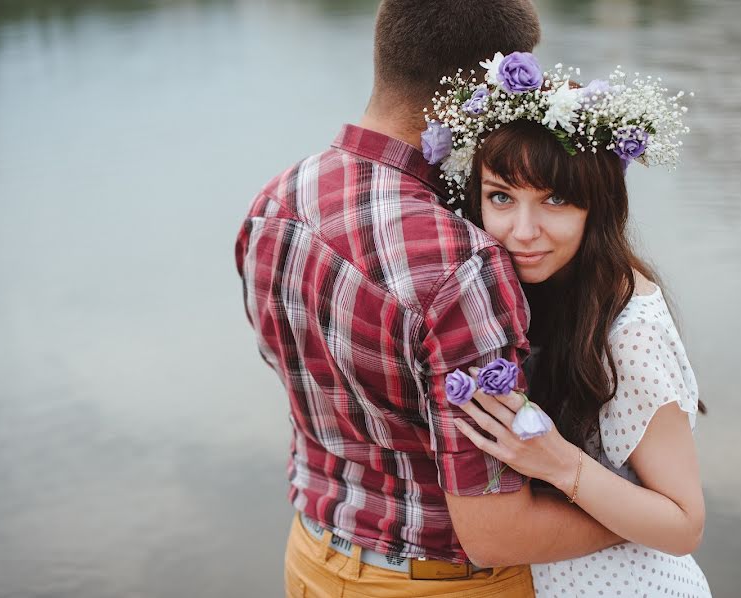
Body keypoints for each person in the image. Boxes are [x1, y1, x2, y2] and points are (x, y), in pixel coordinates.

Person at [234, 3, 622, 597]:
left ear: (387, 55)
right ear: (482, 90)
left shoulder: (276, 202)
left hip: (311, 555)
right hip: (440, 583)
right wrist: (641, 519)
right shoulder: (462, 265)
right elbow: (496, 532)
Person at [423, 56, 712, 596]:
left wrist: (558, 463)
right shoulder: (519, 295)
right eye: (501, 197)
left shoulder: (629, 325)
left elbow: (684, 524)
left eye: (555, 200)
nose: (523, 231)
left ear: (595, 207)